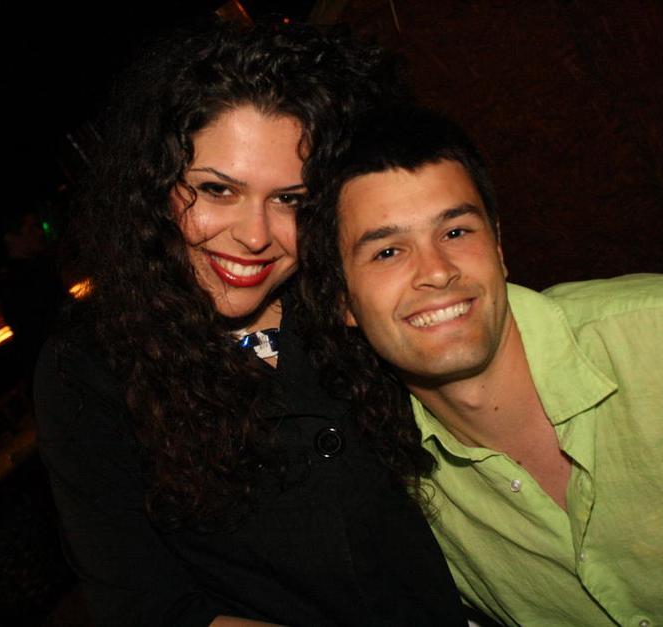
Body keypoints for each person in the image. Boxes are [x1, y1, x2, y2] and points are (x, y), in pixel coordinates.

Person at [33, 25, 469, 627]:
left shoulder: (358, 293)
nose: (255, 236)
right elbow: (151, 608)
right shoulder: (90, 368)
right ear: (155, 186)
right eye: (218, 190)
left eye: (290, 199)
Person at [297, 105, 663, 625]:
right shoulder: (403, 489)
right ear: (343, 301)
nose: (437, 272)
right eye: (387, 252)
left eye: (456, 232)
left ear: (498, 245)